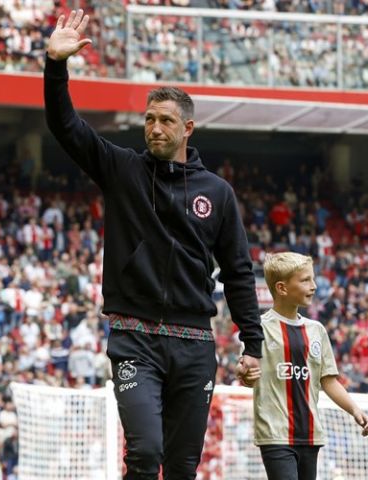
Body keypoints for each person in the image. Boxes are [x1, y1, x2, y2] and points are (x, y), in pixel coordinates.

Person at [44, 10, 263, 479]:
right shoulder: (121, 169)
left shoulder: (217, 193)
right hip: (135, 339)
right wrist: (55, 67)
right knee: (144, 454)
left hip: (195, 344)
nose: (155, 128)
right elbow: (66, 128)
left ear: (187, 129)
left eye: (166, 120)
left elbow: (239, 272)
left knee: (183, 466)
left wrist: (253, 343)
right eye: (149, 119)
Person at [237, 252, 368, 480]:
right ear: (281, 288)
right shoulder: (259, 328)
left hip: (310, 434)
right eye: (305, 280)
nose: (313, 286)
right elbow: (248, 369)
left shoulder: (317, 330)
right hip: (275, 433)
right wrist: (245, 376)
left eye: (313, 279)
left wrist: (354, 409)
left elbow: (328, 381)